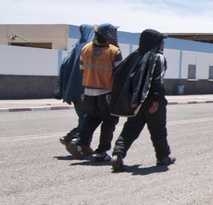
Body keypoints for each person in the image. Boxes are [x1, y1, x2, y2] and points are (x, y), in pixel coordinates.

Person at [109, 29, 175, 172]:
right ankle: (163, 157)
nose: (163, 43)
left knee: (130, 128)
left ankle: (117, 154)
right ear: (155, 42)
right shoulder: (158, 58)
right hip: (152, 100)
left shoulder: (134, 56)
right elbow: (158, 80)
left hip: (136, 101)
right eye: (161, 41)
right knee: (158, 129)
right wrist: (156, 100)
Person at [68, 24, 123, 161]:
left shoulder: (86, 48)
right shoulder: (113, 51)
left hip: (88, 91)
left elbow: (82, 69)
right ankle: (101, 152)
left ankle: (78, 141)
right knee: (109, 122)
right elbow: (119, 74)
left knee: (92, 118)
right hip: (106, 92)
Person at [54, 24, 94, 153]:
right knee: (89, 118)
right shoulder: (88, 49)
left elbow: (64, 67)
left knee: (85, 117)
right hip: (84, 90)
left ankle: (85, 146)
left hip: (72, 90)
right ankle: (72, 137)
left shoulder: (74, 48)